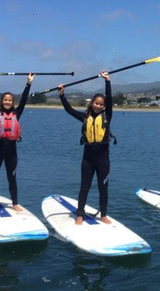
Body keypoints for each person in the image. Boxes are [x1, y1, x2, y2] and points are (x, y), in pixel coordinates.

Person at [57, 71, 113, 225]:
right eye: (96, 103)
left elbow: (110, 100)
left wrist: (107, 81)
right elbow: (69, 110)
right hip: (88, 158)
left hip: (103, 158)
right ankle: (79, 214)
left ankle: (103, 215)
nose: (99, 105)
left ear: (104, 106)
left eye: (101, 104)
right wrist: (62, 95)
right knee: (84, 187)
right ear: (92, 103)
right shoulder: (84, 117)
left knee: (103, 188)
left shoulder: (107, 116)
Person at [0, 71, 35, 213]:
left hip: (12, 152)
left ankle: (15, 203)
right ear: (2, 102)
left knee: (12, 178)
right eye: (5, 100)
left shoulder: (17, 113)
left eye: (10, 100)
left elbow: (23, 100)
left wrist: (28, 83)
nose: (8, 102)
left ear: (12, 102)